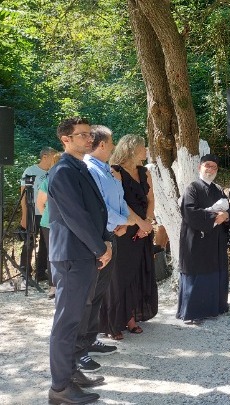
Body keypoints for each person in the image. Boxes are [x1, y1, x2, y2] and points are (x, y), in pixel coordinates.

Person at [77, 126, 152, 372]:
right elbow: (101, 205)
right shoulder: (94, 169)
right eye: (110, 142)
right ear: (102, 144)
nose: (113, 146)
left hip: (117, 231)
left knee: (101, 290)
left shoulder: (106, 170)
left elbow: (119, 201)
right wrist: (125, 223)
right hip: (105, 234)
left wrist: (129, 223)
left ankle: (91, 338)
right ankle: (81, 348)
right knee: (93, 292)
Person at [47, 117, 112, 405]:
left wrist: (106, 240)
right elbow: (76, 217)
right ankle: (60, 387)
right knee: (67, 322)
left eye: (89, 134)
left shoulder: (79, 167)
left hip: (84, 254)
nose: (89, 139)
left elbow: (96, 211)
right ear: (66, 139)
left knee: (79, 318)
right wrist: (100, 248)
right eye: (82, 135)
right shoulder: (62, 171)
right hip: (72, 256)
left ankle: (71, 372)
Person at [102, 134, 158, 340]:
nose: (146, 151)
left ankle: (131, 317)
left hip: (143, 229)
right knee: (120, 276)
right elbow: (120, 203)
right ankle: (113, 321)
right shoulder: (115, 171)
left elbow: (151, 199)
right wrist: (139, 222)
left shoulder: (145, 172)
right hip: (124, 228)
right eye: (143, 147)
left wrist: (147, 223)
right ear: (132, 149)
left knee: (137, 272)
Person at [177, 154, 230, 323]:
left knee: (214, 272)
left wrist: (226, 216)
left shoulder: (218, 189)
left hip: (215, 240)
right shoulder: (192, 188)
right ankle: (193, 312)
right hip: (196, 239)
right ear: (199, 168)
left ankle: (214, 307)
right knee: (197, 272)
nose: (210, 169)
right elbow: (189, 212)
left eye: (214, 167)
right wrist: (214, 218)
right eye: (207, 165)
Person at [20, 146, 56, 281]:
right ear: (45, 157)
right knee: (29, 242)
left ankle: (40, 272)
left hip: (47, 213)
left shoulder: (53, 172)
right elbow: (23, 195)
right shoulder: (30, 171)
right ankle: (25, 272)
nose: (54, 160)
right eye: (53, 157)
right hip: (32, 212)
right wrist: (24, 215)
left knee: (46, 243)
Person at [36, 151, 62, 298]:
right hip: (49, 224)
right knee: (52, 253)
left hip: (66, 223)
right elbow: (40, 203)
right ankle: (53, 286)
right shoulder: (48, 180)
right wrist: (48, 217)